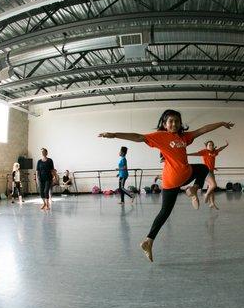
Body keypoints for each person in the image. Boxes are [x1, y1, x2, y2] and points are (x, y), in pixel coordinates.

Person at [99, 109, 234, 262]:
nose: (174, 123)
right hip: (180, 175)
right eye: (171, 121)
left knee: (165, 212)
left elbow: (203, 129)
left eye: (177, 121)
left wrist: (221, 124)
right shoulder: (160, 136)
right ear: (164, 124)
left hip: (171, 180)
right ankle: (193, 189)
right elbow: (138, 137)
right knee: (203, 169)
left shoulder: (185, 137)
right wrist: (115, 134)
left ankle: (149, 240)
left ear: (180, 123)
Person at [188, 140, 229, 209]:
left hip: (211, 171)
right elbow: (196, 154)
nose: (211, 146)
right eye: (209, 145)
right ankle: (206, 194)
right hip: (206, 171)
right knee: (213, 185)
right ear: (206, 146)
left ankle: (212, 203)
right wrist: (186, 154)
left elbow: (220, 149)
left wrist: (226, 145)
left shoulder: (214, 152)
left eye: (212, 145)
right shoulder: (204, 151)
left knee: (211, 188)